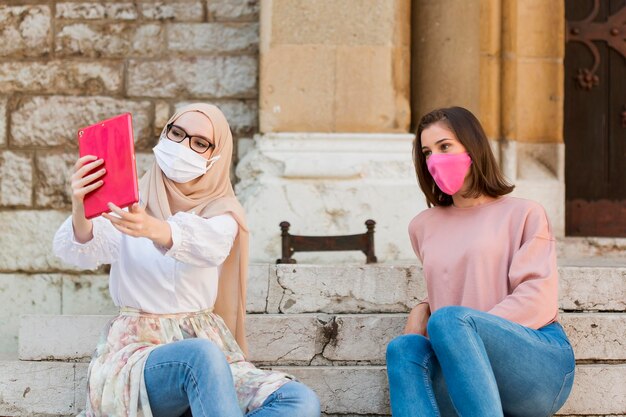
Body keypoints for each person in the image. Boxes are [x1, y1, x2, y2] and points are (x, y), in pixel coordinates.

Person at [53, 103, 321, 417]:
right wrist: (80, 206)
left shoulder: (223, 213)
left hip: (209, 349)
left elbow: (210, 246)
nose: (183, 146)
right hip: (139, 356)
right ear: (164, 133)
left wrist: (156, 228)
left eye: (199, 142)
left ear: (215, 156)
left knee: (299, 401)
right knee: (200, 356)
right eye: (177, 133)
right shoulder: (130, 200)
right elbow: (81, 248)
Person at [386, 107, 575, 417]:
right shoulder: (422, 226)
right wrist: (423, 309)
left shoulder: (525, 213)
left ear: (472, 147)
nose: (435, 159)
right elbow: (457, 280)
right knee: (402, 349)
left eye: (445, 146)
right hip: (464, 373)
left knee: (448, 321)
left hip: (536, 363)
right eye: (427, 152)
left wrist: (466, 329)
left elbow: (537, 298)